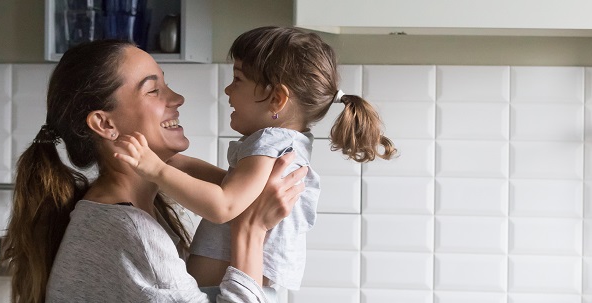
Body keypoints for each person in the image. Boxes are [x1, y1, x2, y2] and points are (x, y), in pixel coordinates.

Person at [3, 38, 308, 303]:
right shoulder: (130, 230)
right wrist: (251, 230)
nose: (177, 98)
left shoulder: (136, 214)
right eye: (153, 90)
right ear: (105, 124)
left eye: (166, 84)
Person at [115, 26, 398, 291]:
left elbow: (224, 206)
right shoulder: (287, 143)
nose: (228, 90)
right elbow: (239, 189)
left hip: (223, 289)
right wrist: (184, 165)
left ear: (277, 99)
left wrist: (154, 169)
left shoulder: (270, 141)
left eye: (238, 79)